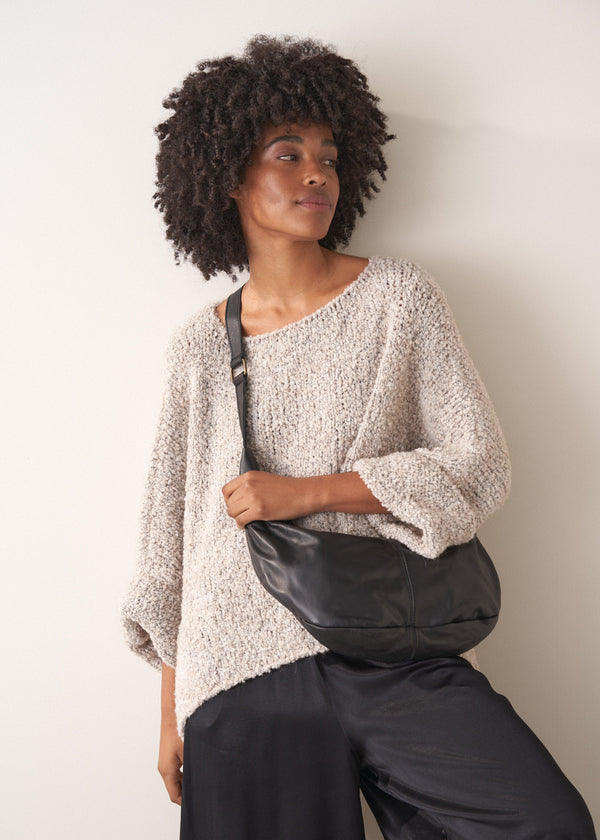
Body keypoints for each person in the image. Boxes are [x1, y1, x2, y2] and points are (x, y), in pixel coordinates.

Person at [120, 34, 596, 840]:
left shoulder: (399, 300)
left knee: (547, 824)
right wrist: (173, 710)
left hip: (393, 646)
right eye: (288, 153)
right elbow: (170, 550)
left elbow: (479, 465)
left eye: (329, 156)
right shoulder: (198, 346)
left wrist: (308, 493)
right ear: (231, 175)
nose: (317, 173)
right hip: (239, 670)